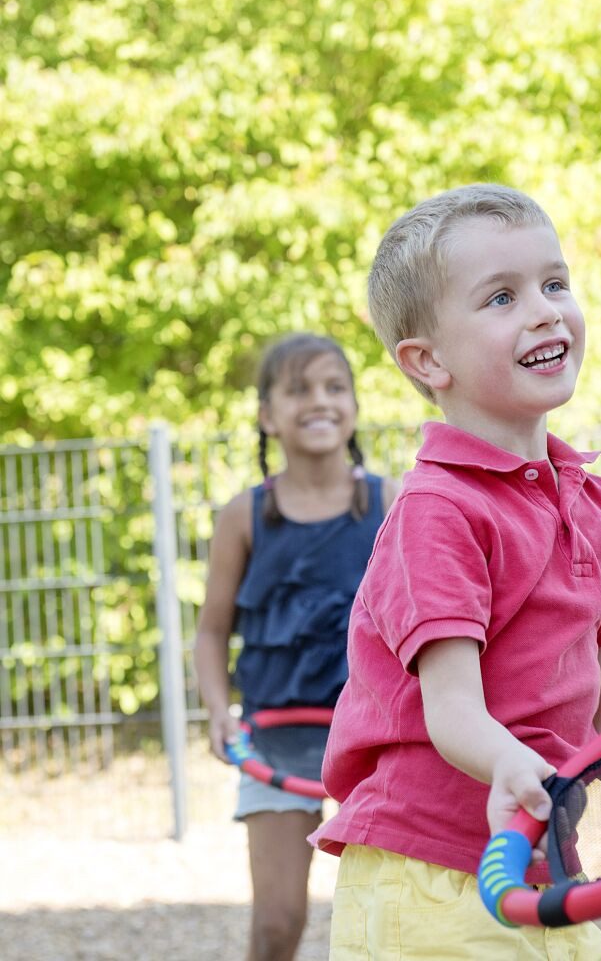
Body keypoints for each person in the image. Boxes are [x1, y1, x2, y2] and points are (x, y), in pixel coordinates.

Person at [309, 184, 601, 959]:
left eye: (554, 283)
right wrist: (513, 765)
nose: (544, 311)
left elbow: (600, 709)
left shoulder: (599, 507)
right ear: (428, 360)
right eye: (501, 297)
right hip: (428, 879)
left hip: (539, 867)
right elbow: (452, 710)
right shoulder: (437, 510)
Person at [194, 332, 399, 961]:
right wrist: (218, 710)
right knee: (277, 924)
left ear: (354, 407)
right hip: (276, 739)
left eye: (336, 387)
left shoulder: (392, 502)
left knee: (393, 919)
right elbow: (211, 631)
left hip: (376, 742)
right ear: (267, 414)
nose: (320, 401)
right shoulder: (243, 516)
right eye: (299, 389)